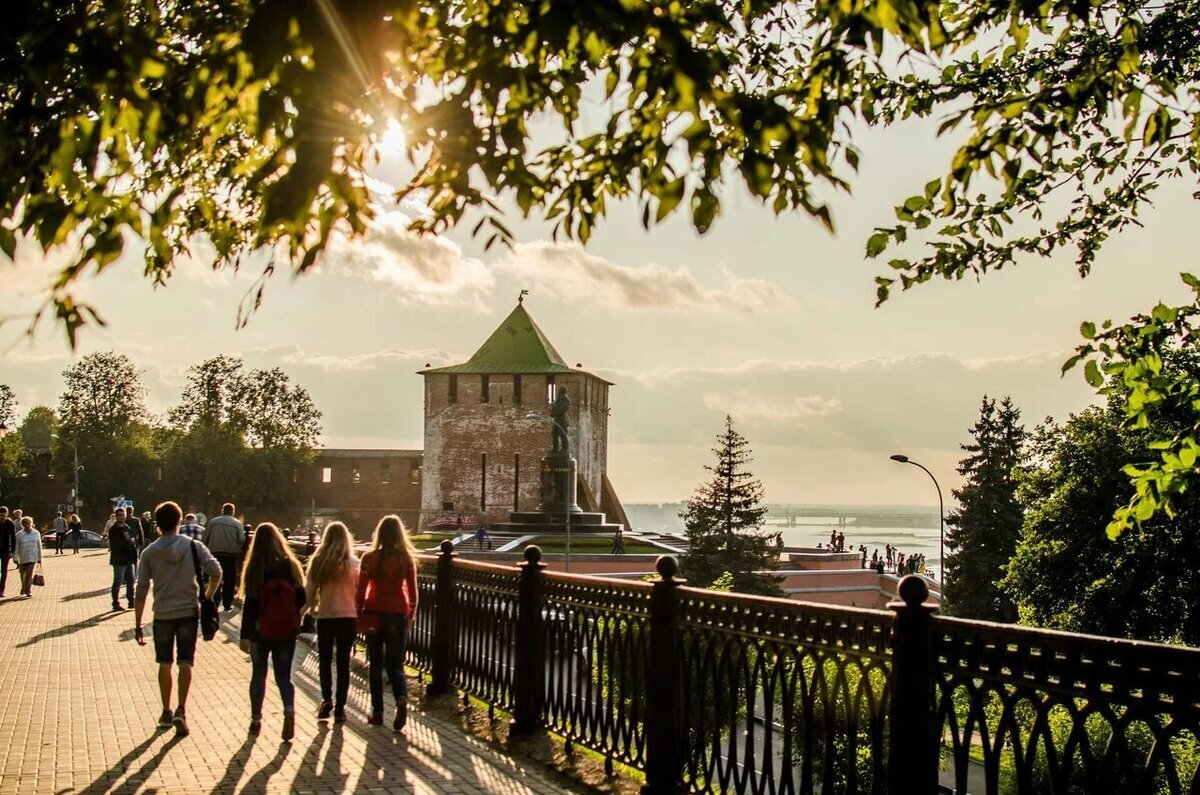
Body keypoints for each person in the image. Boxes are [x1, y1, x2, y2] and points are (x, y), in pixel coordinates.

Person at [134, 500, 223, 738]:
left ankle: (165, 710)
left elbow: (141, 589)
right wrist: (207, 596)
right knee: (186, 661)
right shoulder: (194, 547)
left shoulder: (149, 552)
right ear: (180, 521)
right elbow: (216, 571)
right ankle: (182, 709)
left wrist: (137, 623)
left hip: (162, 613)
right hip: (188, 612)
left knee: (164, 663)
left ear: (157, 524)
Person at [239, 522, 307, 740]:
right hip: (286, 630)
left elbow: (250, 604)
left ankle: (256, 719)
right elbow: (302, 598)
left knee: (258, 674)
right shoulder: (290, 565)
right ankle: (288, 709)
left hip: (260, 630)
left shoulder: (255, 567)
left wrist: (245, 635)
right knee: (284, 676)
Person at [357, 514, 419, 731]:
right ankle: (401, 697)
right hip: (398, 613)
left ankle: (378, 712)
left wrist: (359, 614)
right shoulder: (406, 559)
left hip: (374, 612)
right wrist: (409, 617)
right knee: (396, 665)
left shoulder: (369, 558)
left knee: (374, 664)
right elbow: (413, 594)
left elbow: (360, 590)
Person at [305, 521, 359, 725]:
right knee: (344, 664)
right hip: (348, 617)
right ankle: (341, 708)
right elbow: (360, 591)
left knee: (325, 662)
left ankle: (326, 699)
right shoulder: (353, 563)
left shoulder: (319, 561)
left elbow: (309, 592)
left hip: (325, 617)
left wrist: (303, 612)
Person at [203, 502, 245, 612]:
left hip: (215, 554)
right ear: (233, 511)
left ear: (223, 510)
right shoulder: (237, 524)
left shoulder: (213, 522)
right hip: (231, 555)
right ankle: (227, 603)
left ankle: (214, 601)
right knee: (229, 580)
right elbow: (242, 540)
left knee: (215, 577)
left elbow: (205, 538)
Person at [109, 507, 139, 611]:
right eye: (120, 515)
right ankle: (115, 603)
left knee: (131, 581)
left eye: (123, 515)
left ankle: (131, 601)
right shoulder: (113, 530)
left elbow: (132, 539)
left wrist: (133, 542)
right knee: (118, 581)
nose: (122, 517)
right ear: (116, 516)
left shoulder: (127, 527)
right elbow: (116, 544)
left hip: (128, 559)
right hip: (119, 559)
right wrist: (129, 542)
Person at [14, 516, 42, 597]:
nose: (27, 525)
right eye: (25, 524)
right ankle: (23, 586)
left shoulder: (36, 533)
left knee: (29, 574)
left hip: (32, 557)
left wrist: (39, 558)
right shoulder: (19, 535)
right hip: (22, 557)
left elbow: (39, 546)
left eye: (28, 523)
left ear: (31, 524)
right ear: (22, 525)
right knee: (22, 575)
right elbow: (16, 546)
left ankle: (28, 590)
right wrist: (15, 557)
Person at [0, 507, 16, 597]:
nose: (2, 517)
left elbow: (13, 537)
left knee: (4, 571)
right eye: (1, 515)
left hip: (5, 550)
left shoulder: (10, 523)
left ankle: (2, 590)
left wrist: (13, 550)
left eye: (4, 515)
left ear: (7, 514)